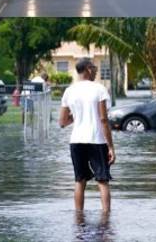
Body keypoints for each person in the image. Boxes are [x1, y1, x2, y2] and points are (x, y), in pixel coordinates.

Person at [59, 58, 115, 213]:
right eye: (95, 68)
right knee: (102, 181)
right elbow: (103, 119)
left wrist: (77, 117)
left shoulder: (69, 91)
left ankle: (79, 218)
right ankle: (106, 217)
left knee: (79, 180)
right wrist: (111, 147)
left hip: (76, 140)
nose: (96, 71)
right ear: (88, 69)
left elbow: (62, 122)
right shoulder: (99, 89)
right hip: (96, 140)